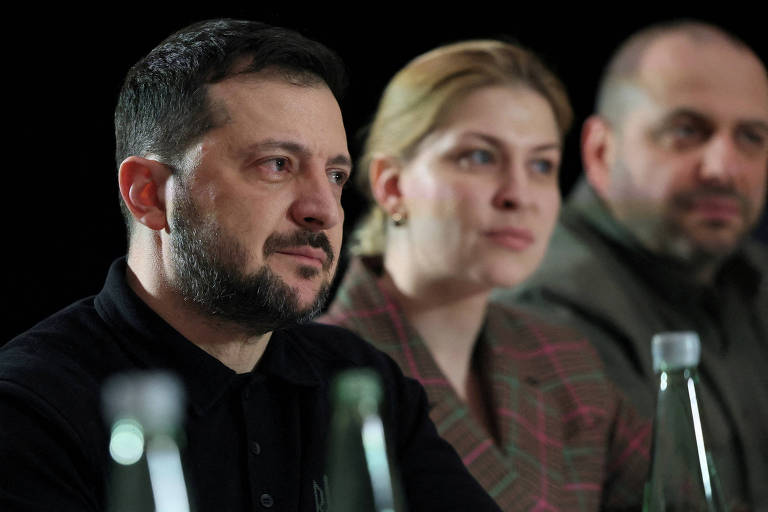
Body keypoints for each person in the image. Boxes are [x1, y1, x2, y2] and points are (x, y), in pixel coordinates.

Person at [0, 19, 502, 512]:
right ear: (149, 194)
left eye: (335, 174)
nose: (323, 209)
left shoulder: (362, 382)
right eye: (277, 164)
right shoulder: (31, 409)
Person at [319, 40, 650, 511]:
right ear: (392, 186)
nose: (519, 194)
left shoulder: (565, 362)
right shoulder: (319, 378)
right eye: (479, 157)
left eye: (541, 165)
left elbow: (688, 497)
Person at [499, 20, 768, 511]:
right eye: (686, 131)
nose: (724, 167)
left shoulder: (752, 278)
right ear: (601, 152)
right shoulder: (545, 308)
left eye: (751, 137)